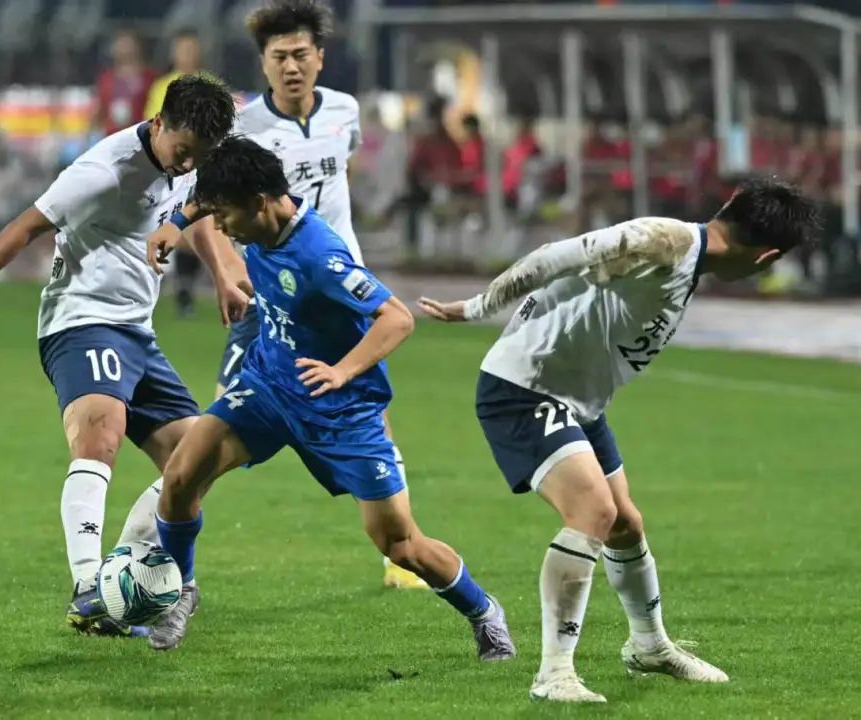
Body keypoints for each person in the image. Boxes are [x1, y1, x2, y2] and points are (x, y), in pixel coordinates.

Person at [417, 177, 820, 703]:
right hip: (525, 387)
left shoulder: (687, 260)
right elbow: (554, 254)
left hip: (577, 399)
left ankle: (649, 645)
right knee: (593, 512)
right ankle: (554, 674)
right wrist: (475, 308)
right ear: (767, 257)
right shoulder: (665, 242)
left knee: (625, 524)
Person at [146, 136, 516, 661]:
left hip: (341, 412)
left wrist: (342, 370)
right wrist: (176, 223)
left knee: (401, 545)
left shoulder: (319, 255)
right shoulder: (252, 213)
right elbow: (204, 200)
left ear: (260, 203)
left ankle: (483, 612)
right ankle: (180, 590)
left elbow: (397, 318)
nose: (220, 227)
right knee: (182, 475)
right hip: (269, 387)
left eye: (225, 215)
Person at [0, 75, 243, 638]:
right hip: (80, 322)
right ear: (159, 123)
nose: (189, 164)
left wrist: (221, 275)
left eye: (201, 155)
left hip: (136, 332)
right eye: (184, 150)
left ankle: (123, 574)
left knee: (198, 457)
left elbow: (195, 213)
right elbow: (24, 227)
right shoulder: (103, 172)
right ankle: (89, 585)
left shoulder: (187, 162)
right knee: (101, 430)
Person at [155, 0, 427, 589]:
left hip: (332, 290)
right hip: (267, 294)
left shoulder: (345, 112)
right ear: (263, 63)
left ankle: (398, 548)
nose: (291, 66)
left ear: (320, 58)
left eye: (301, 54)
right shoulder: (245, 127)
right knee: (215, 426)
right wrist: (226, 267)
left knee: (368, 412)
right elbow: (209, 197)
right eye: (279, 57)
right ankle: (155, 552)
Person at [144, 29, 212, 318]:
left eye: (191, 49)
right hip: (167, 169)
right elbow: (151, 124)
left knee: (192, 227)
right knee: (161, 224)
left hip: (199, 166)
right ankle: (154, 285)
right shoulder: (162, 87)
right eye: (182, 49)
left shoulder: (210, 86)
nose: (186, 55)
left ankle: (185, 288)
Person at [93, 29, 158, 138]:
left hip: (139, 136)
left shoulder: (150, 77)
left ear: (138, 48)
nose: (125, 51)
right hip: (111, 135)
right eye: (121, 45)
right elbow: (99, 109)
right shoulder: (106, 78)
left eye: (128, 45)